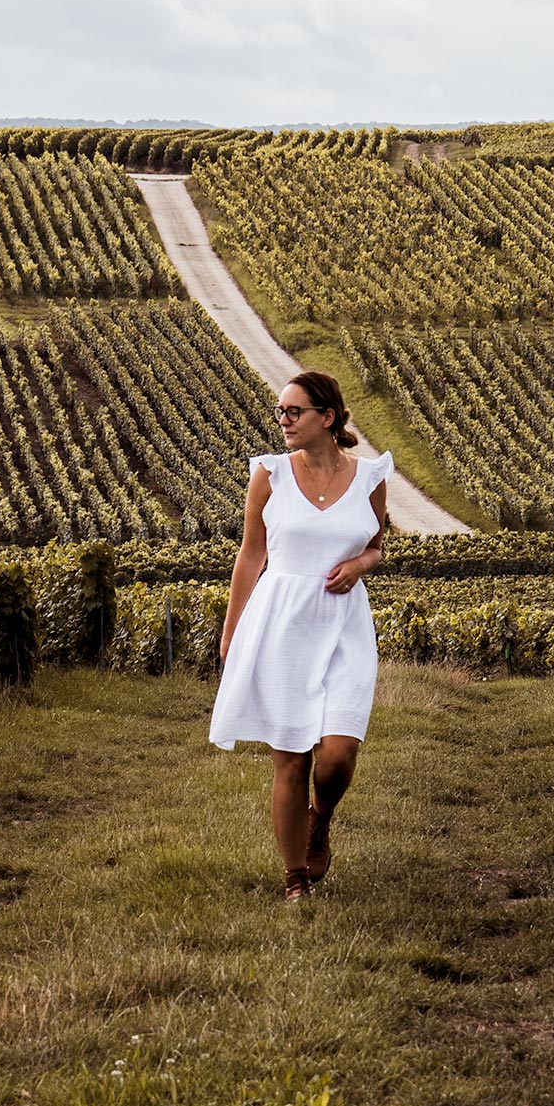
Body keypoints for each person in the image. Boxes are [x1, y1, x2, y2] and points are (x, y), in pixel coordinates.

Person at [209, 370, 392, 901]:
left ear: (327, 418)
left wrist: (359, 564)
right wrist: (232, 631)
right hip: (281, 623)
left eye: (295, 411)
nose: (284, 420)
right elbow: (251, 554)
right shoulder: (270, 474)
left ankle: (322, 817)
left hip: (344, 626)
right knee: (291, 758)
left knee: (337, 754)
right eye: (281, 412)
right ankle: (295, 880)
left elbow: (377, 545)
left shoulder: (370, 477)